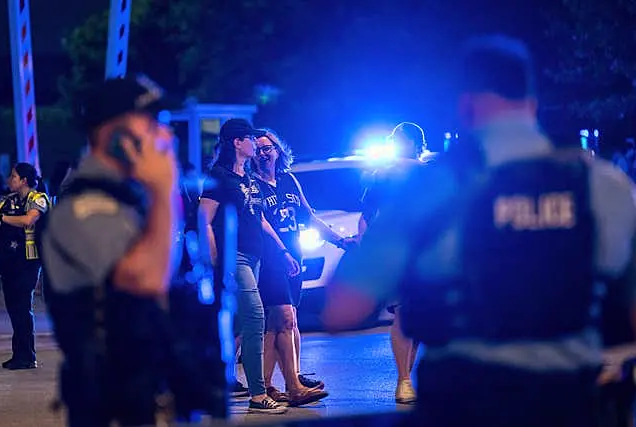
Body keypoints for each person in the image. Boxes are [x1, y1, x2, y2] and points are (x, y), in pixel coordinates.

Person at [323, 35, 636, 427]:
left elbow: (340, 310)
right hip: (573, 401)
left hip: (466, 400)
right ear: (532, 103)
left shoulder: (429, 188)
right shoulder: (604, 185)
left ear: (465, 106)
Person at [40, 75, 180, 426]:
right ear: (111, 134)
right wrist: (166, 191)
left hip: (140, 390)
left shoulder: (130, 197)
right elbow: (145, 279)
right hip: (106, 402)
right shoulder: (83, 207)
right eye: (151, 123)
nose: (164, 135)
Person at [199, 118, 299, 414]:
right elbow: (203, 220)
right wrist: (216, 259)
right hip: (235, 257)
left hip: (254, 259)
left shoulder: (247, 178)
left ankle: (214, 379)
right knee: (256, 318)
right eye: (251, 139)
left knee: (239, 324)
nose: (256, 144)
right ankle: (258, 395)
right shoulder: (218, 177)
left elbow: (260, 219)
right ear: (237, 143)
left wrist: (282, 251)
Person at [252, 129, 346, 405]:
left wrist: (341, 241)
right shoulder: (253, 185)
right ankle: (294, 386)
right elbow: (259, 223)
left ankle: (266, 385)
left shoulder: (288, 180)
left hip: (295, 257)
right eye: (257, 149)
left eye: (268, 147)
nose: (263, 153)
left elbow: (310, 216)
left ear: (278, 151)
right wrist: (280, 252)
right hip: (271, 259)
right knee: (286, 318)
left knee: (278, 324)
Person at [358, 121, 433, 404]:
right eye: (394, 139)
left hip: (423, 253)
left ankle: (407, 378)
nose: (397, 143)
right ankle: (402, 380)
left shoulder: (429, 174)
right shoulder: (382, 175)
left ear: (415, 143)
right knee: (402, 312)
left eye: (401, 139)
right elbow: (366, 215)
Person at [0, 162, 50, 370]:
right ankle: (18, 353)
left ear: (24, 181)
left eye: (14, 176)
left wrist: (2, 217)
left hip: (29, 262)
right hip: (9, 260)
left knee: (22, 307)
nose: (10, 180)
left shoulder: (38, 199)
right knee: (13, 308)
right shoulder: (7, 200)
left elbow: (29, 220)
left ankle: (27, 356)